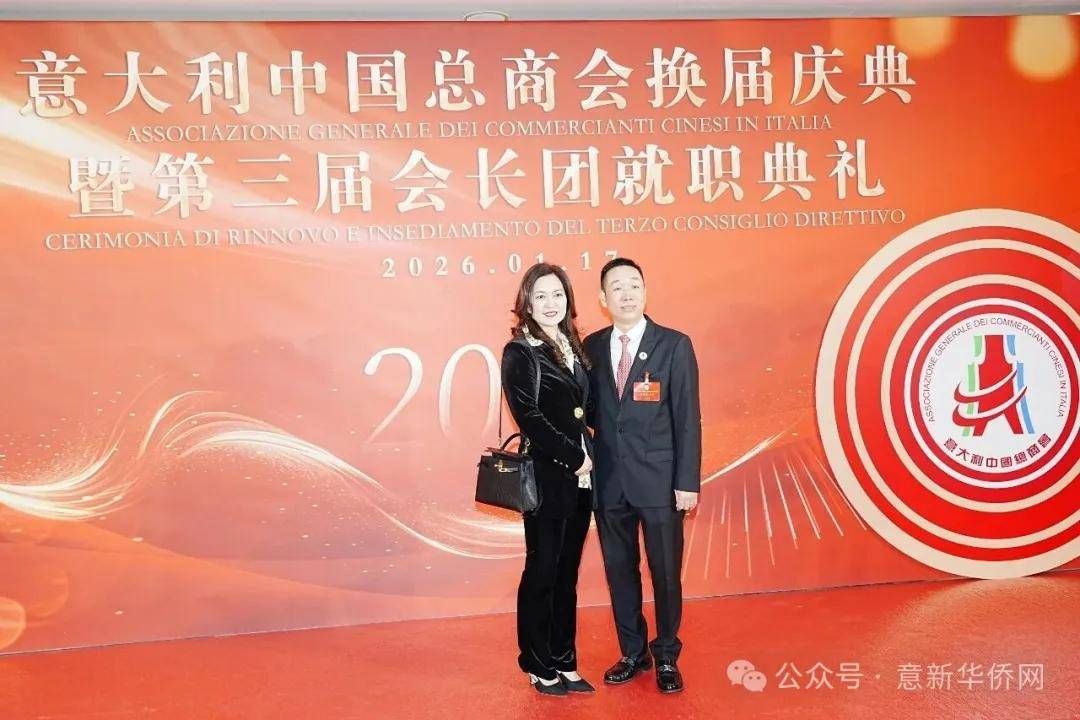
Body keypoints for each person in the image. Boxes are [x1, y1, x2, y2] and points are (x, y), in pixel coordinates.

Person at [583, 257, 702, 694]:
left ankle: (667, 654)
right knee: (619, 571)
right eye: (617, 287)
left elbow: (687, 419)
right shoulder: (591, 348)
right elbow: (589, 414)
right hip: (610, 482)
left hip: (660, 482)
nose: (626, 293)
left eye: (634, 284)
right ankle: (633, 652)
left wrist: (686, 482)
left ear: (645, 292)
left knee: (665, 573)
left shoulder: (674, 345)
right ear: (604, 299)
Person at [501, 262, 596, 696]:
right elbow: (530, 417)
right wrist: (575, 457)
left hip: (581, 480)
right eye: (541, 296)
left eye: (558, 294)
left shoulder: (573, 345)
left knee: (567, 573)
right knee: (542, 571)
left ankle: (564, 659)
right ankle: (537, 663)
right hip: (547, 476)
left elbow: (585, 411)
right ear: (527, 302)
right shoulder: (520, 351)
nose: (551, 303)